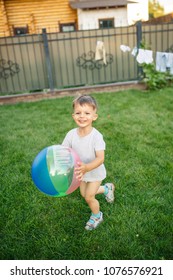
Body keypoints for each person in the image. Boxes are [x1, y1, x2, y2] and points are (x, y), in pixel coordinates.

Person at [62, 95, 115, 230]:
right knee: (83, 194)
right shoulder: (71, 135)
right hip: (81, 172)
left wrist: (87, 167)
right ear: (73, 115)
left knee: (89, 197)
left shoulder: (96, 136)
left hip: (94, 172)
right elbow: (64, 151)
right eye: (78, 113)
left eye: (87, 113)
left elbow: (100, 158)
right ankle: (107, 188)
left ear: (94, 117)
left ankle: (97, 215)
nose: (82, 116)